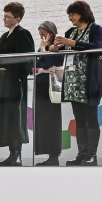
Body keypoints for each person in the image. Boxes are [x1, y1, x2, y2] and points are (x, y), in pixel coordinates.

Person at [51, 1, 102, 166]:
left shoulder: (97, 30)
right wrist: (54, 48)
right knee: (79, 119)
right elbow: (63, 53)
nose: (70, 18)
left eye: (72, 14)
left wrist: (71, 43)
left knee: (91, 118)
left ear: (82, 13)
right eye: (69, 15)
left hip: (89, 82)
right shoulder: (71, 32)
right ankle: (81, 154)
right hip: (73, 84)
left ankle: (92, 155)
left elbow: (97, 47)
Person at [0, 2, 36, 166]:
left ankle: (17, 154)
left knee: (15, 117)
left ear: (18, 18)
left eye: (8, 16)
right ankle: (10, 154)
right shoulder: (4, 36)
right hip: (1, 82)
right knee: (5, 117)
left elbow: (28, 59)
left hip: (13, 82)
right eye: (4, 15)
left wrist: (18, 76)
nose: (4, 18)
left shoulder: (23, 34)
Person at [31, 22, 64, 166]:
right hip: (40, 87)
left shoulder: (57, 47)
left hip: (51, 89)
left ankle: (54, 155)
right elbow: (34, 66)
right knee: (42, 121)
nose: (42, 37)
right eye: (40, 35)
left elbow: (49, 63)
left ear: (51, 33)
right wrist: (43, 52)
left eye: (44, 34)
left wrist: (44, 50)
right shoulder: (42, 48)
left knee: (52, 121)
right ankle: (47, 153)